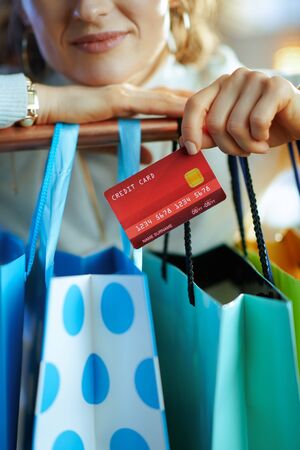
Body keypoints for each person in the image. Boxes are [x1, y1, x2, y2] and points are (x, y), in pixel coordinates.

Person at [0, 0, 299, 255]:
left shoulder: (265, 103)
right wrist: (34, 102)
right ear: (22, 8)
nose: (90, 10)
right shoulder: (9, 110)